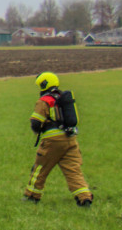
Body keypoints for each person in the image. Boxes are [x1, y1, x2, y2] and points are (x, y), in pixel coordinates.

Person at [24, 71, 92, 206]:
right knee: (73, 170)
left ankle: (32, 196)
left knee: (40, 169)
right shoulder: (63, 98)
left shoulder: (45, 101)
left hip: (52, 141)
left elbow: (36, 123)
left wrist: (39, 130)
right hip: (70, 139)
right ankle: (84, 198)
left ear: (43, 84)